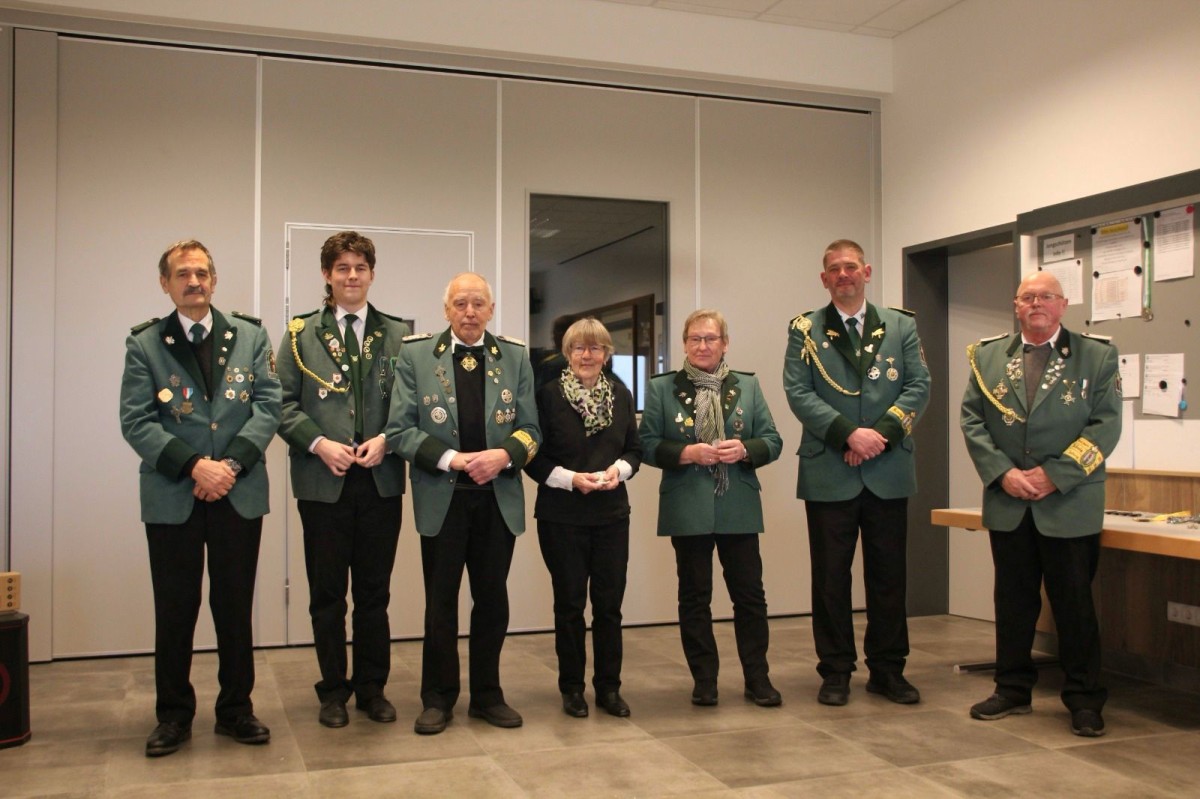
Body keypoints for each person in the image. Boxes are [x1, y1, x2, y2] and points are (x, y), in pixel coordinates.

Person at [119, 240, 281, 756]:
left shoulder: (250, 335)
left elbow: (268, 405)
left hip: (238, 492)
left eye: (203, 272)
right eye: (183, 273)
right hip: (175, 494)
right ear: (165, 284)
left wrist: (228, 465)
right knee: (176, 609)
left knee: (234, 607)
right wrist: (195, 466)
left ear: (215, 280)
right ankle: (173, 716)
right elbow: (136, 421)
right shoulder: (146, 344)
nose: (194, 280)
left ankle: (236, 709)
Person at [960, 271, 1121, 737]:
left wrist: (1056, 475)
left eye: (1046, 296)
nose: (1036, 303)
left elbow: (1106, 426)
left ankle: (1085, 699)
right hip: (1009, 500)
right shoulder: (988, 356)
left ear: (1063, 304)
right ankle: (1011, 689)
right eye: (1028, 297)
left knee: (1074, 606)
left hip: (1069, 503)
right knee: (1012, 602)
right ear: (1016, 306)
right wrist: (1002, 473)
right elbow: (972, 420)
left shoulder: (1097, 355)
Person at [385, 272, 541, 735]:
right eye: (460, 303)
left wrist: (502, 457)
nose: (469, 312)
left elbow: (532, 431)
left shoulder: (513, 356)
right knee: (441, 602)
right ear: (446, 310)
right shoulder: (416, 355)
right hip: (443, 497)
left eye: (478, 304)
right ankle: (438, 697)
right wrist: (453, 459)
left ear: (490, 310)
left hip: (497, 497)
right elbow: (400, 431)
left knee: (492, 600)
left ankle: (488, 695)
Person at [782, 238, 931, 707]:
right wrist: (849, 434)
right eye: (834, 269)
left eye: (851, 267)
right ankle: (836, 670)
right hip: (830, 469)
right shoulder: (805, 330)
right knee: (830, 577)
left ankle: (888, 669)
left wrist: (878, 436)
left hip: (886, 468)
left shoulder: (900, 325)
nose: (843, 275)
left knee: (889, 576)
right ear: (823, 279)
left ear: (867, 272)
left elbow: (918, 385)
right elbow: (798, 391)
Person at [276, 231, 410, 728]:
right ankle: (332, 690)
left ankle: (372, 689)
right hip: (322, 479)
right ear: (326, 275)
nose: (351, 276)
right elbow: (280, 404)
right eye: (342, 268)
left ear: (372, 274)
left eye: (359, 267)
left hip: (380, 478)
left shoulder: (399, 335)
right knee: (327, 594)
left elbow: (412, 406)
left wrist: (388, 439)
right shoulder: (298, 334)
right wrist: (317, 442)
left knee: (375, 594)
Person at [639, 309, 783, 708]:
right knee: (694, 597)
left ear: (725, 343)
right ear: (684, 344)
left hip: (737, 503)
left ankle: (758, 678)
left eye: (711, 339)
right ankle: (705, 680)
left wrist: (746, 449)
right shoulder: (662, 388)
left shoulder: (747, 387)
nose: (703, 346)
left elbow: (773, 439)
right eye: (695, 339)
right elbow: (646, 444)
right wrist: (685, 452)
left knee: (750, 596)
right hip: (687, 505)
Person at [524, 318, 642, 718]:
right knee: (570, 605)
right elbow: (532, 458)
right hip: (562, 517)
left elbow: (634, 451)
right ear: (567, 354)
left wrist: (619, 472)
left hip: (611, 516)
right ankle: (572, 689)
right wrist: (571, 479)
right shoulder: (547, 397)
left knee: (609, 608)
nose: (587, 356)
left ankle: (609, 689)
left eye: (595, 348)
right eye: (579, 348)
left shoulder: (622, 395)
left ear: (607, 354)